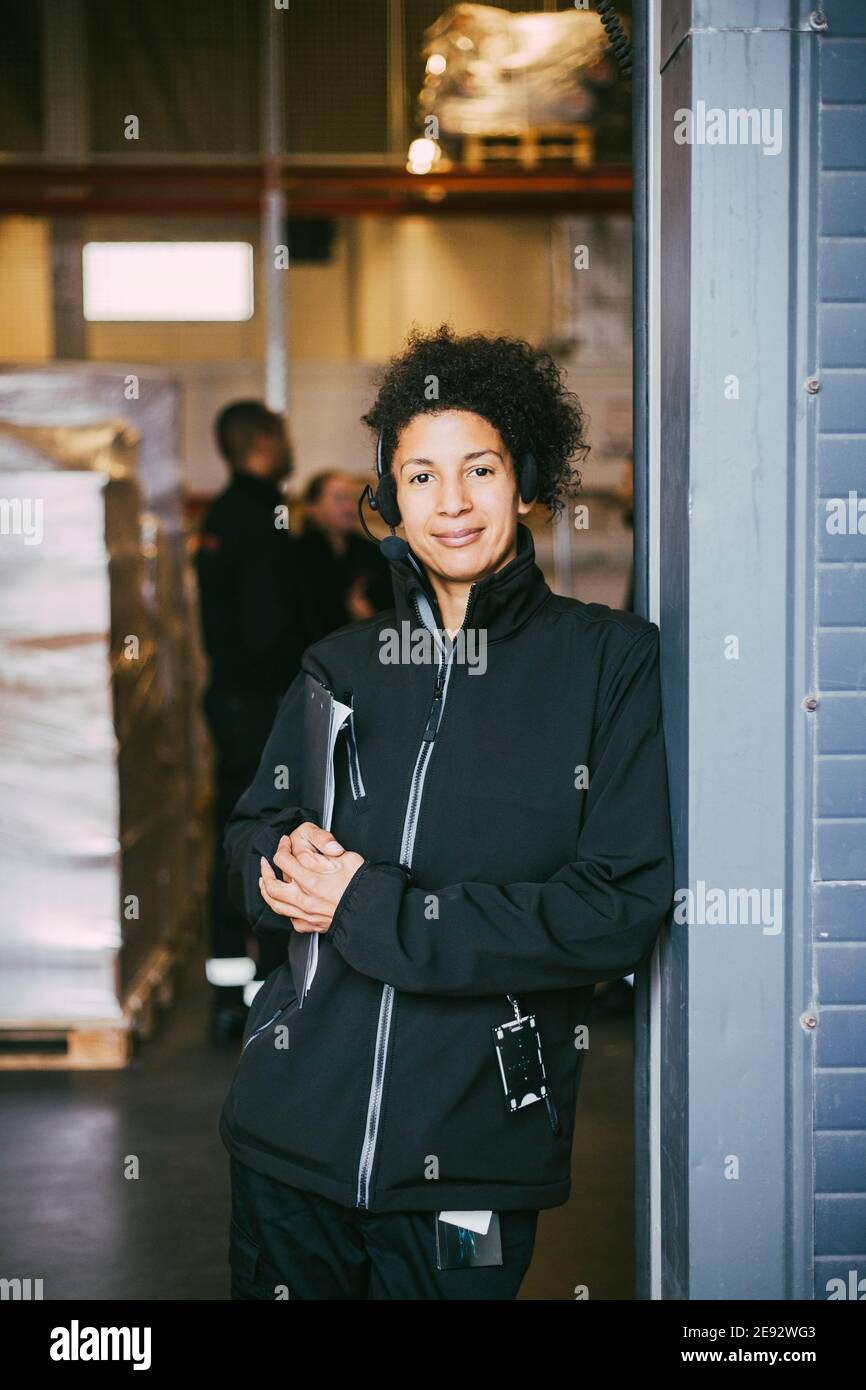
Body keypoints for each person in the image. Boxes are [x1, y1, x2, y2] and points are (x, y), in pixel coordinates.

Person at [218, 325, 674, 1300]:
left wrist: (371, 907)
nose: (452, 502)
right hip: (286, 1139)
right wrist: (274, 862)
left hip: (470, 1159)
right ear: (389, 497)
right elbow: (250, 837)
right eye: (419, 476)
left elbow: (617, 905)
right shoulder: (338, 665)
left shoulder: (608, 665)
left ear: (526, 480)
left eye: (478, 468)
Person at [194, 400, 306, 1042]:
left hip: (233, 701)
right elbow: (267, 628)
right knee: (264, 837)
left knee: (232, 838)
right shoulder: (262, 515)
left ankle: (228, 994)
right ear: (264, 443)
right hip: (259, 707)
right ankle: (264, 991)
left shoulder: (220, 514)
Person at [294, 470, 394, 644]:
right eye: (340, 499)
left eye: (353, 499)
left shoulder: (372, 551)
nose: (349, 508)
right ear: (313, 507)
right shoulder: (296, 554)